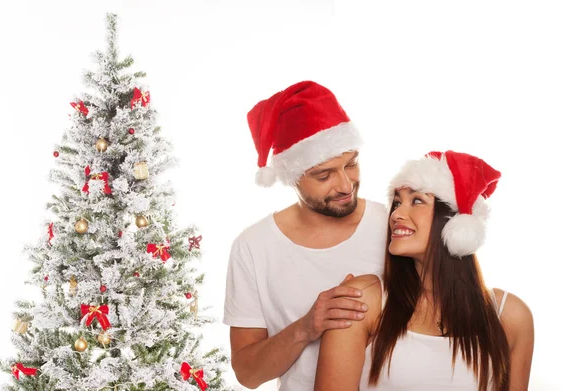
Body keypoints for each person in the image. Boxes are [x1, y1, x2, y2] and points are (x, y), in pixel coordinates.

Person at [314, 150, 534, 391]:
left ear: (455, 222)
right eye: (397, 202)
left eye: (417, 200)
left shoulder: (510, 316)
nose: (396, 214)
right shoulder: (363, 300)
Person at [223, 80, 388, 390]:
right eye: (323, 175)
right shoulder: (253, 247)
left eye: (351, 164)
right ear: (292, 176)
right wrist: (306, 327)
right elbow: (247, 374)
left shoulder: (394, 226)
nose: (344, 184)